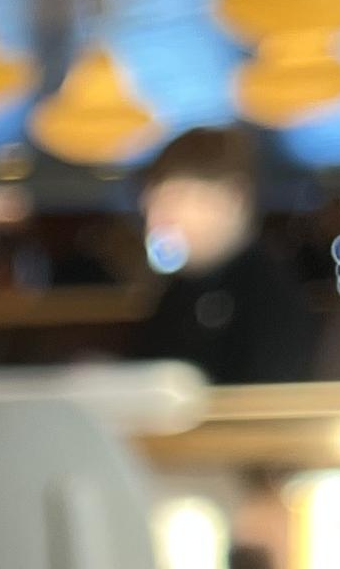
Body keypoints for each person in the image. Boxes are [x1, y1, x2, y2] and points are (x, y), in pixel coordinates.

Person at [131, 128, 317, 385]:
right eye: (154, 200)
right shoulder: (178, 290)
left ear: (234, 198)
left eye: (179, 197)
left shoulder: (268, 293)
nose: (159, 217)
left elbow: (263, 407)